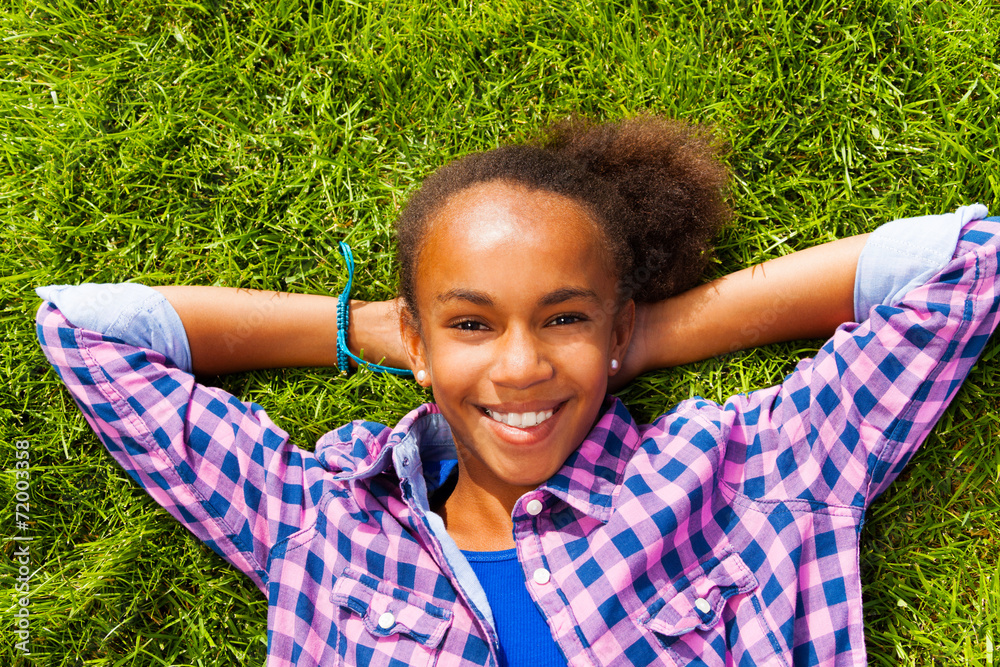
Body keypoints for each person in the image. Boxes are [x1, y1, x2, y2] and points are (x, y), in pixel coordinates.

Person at [35, 116, 999, 666]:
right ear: (416, 337)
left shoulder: (746, 473)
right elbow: (85, 329)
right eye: (472, 322)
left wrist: (639, 339)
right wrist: (370, 330)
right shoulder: (321, 522)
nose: (521, 366)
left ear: (616, 326)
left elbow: (964, 262)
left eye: (564, 318)